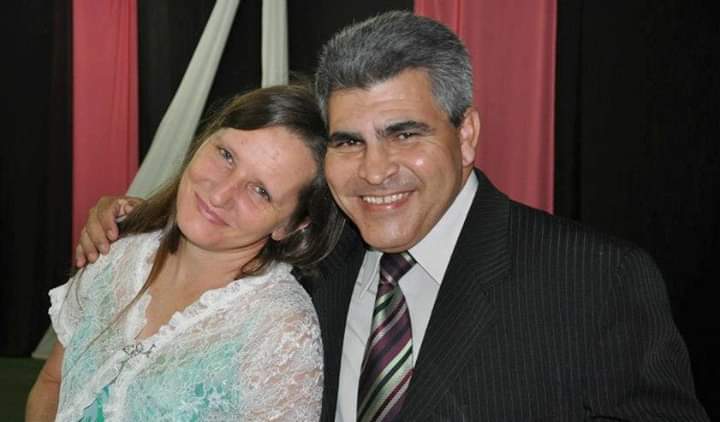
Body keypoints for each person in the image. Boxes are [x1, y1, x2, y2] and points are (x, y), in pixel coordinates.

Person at [72, 11, 709, 421]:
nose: (375, 171)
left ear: (466, 135)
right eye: (349, 141)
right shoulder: (318, 260)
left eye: (405, 134)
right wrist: (130, 217)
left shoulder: (596, 280)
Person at [26, 85, 345, 421]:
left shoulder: (280, 332)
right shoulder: (118, 254)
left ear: (292, 226)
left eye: (260, 191)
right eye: (226, 155)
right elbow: (52, 383)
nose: (220, 194)